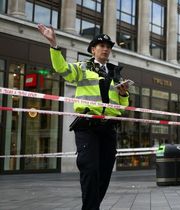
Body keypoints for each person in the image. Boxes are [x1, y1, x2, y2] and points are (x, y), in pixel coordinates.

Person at [37, 24, 130, 210]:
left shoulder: (116, 74)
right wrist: (54, 44)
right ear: (93, 50)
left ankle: (92, 207)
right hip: (87, 125)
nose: (105, 49)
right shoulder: (81, 68)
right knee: (89, 169)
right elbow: (62, 68)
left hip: (109, 127)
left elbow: (122, 107)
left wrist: (124, 94)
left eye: (108, 47)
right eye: (101, 45)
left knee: (104, 173)